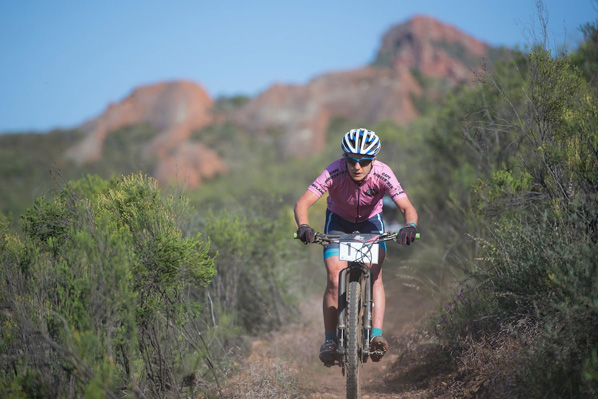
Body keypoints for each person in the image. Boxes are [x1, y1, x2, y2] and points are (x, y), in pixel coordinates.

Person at [294, 128, 418, 365]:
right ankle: (330, 339)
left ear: (373, 160)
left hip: (371, 224)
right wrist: (304, 226)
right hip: (338, 224)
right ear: (345, 159)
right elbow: (302, 203)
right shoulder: (334, 170)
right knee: (333, 276)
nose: (356, 166)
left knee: (375, 276)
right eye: (351, 160)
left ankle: (376, 336)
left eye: (363, 161)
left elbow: (406, 207)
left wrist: (410, 225)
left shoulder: (383, 174)